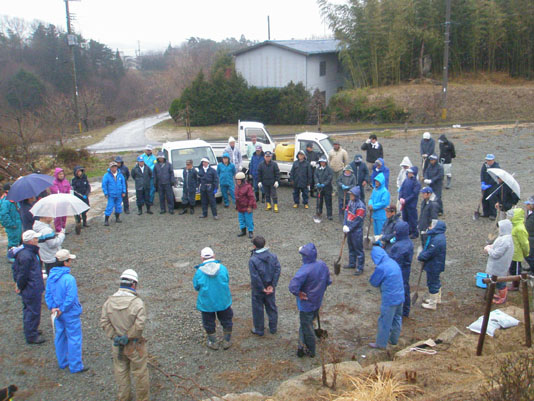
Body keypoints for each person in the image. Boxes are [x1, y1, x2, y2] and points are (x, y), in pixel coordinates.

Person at [100, 269, 149, 401]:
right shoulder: (137, 303)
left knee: (121, 373)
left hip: (118, 345)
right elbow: (139, 326)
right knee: (139, 374)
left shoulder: (109, 302)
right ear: (134, 284)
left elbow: (104, 322)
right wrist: (128, 336)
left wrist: (114, 336)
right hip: (135, 345)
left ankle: (124, 398)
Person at [45, 249, 87, 373]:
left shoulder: (51, 277)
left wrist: (53, 308)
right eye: (69, 260)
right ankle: (76, 366)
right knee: (74, 338)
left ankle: (62, 362)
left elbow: (48, 294)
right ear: (65, 262)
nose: (70, 262)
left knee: (60, 336)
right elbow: (71, 297)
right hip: (69, 313)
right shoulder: (69, 279)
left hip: (57, 313)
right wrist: (63, 309)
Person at [289, 243, 331, 358]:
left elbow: (293, 286)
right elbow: (328, 281)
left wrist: (298, 293)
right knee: (307, 323)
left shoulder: (304, 270)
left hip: (306, 304)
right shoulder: (322, 265)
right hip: (317, 301)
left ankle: (310, 350)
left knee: (307, 327)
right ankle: (300, 346)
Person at [193, 247, 233, 350]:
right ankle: (227, 340)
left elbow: (196, 286)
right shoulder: (223, 268)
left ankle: (212, 341)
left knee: (208, 322)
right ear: (214, 256)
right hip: (223, 300)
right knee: (226, 319)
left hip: (207, 303)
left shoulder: (199, 272)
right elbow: (227, 280)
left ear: (202, 258)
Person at [9, 230, 45, 344]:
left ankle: (31, 329)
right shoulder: (26, 255)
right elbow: (22, 274)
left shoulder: (28, 252)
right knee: (32, 311)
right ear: (30, 241)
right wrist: (20, 285)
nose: (37, 240)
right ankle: (31, 335)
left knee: (31, 309)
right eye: (35, 238)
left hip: (32, 286)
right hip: (31, 287)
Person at [368, 246, 404, 349]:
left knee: (384, 321)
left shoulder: (381, 267)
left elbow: (374, 282)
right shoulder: (393, 262)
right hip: (400, 297)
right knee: (397, 318)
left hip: (389, 299)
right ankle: (393, 340)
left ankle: (381, 344)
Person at [249, 236, 281, 336]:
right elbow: (277, 270)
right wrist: (272, 285)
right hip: (270, 287)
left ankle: (259, 329)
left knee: (257, 309)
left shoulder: (253, 260)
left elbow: (255, 276)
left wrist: (261, 288)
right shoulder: (273, 256)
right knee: (271, 307)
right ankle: (273, 328)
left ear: (254, 246)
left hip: (258, 289)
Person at [417, 220, 447, 310]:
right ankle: (437, 299)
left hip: (434, 265)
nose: (429, 227)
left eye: (431, 226)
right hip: (437, 264)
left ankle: (432, 303)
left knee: (432, 282)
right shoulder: (438, 236)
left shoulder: (437, 240)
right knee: (436, 280)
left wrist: (420, 256)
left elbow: (430, 252)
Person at [484, 220, 514, 304]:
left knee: (501, 283)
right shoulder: (504, 237)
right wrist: (491, 246)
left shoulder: (505, 240)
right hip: (498, 264)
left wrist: (488, 249)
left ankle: (502, 298)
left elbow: (496, 254)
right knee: (498, 280)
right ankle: (501, 296)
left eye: (500, 227)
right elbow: (497, 246)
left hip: (500, 265)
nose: (498, 229)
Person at [388, 221, 414, 317]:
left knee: (398, 290)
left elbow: (394, 261)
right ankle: (406, 310)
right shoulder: (408, 242)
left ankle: (400, 311)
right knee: (405, 288)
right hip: (405, 269)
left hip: (400, 270)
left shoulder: (399, 247)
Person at [342, 186, 366, 274]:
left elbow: (358, 220)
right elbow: (346, 213)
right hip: (349, 230)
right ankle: (352, 263)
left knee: (358, 249)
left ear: (356, 195)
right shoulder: (350, 202)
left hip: (357, 231)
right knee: (351, 247)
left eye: (352, 194)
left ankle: (360, 267)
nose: (350, 196)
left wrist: (350, 227)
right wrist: (344, 224)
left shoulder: (361, 206)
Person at [508, 208, 530, 291]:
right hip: (512, 252)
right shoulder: (514, 225)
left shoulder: (520, 228)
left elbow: (525, 243)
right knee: (512, 269)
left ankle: (516, 285)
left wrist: (526, 252)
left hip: (517, 253)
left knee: (516, 270)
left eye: (512, 215)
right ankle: (514, 282)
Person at [0, 183, 22, 259]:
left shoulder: (14, 199)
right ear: (7, 190)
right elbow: (3, 215)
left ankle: (16, 255)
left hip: (18, 224)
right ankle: (11, 257)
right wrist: (11, 224)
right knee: (13, 242)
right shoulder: (5, 202)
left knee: (18, 240)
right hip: (13, 226)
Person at [102, 161, 127, 226]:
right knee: (109, 207)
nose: (114, 168)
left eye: (115, 167)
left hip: (119, 194)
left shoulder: (120, 175)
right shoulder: (106, 176)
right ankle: (106, 220)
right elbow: (104, 185)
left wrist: (124, 191)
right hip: (111, 194)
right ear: (110, 168)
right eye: (112, 167)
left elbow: (123, 183)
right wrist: (106, 193)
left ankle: (117, 218)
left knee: (118, 206)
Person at [399, 167, 421, 239]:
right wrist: (400, 197)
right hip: (404, 204)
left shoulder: (417, 183)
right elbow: (401, 189)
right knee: (405, 218)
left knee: (412, 219)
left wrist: (406, 200)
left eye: (410, 172)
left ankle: (414, 233)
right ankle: (407, 231)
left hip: (411, 204)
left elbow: (414, 194)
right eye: (408, 172)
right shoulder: (406, 180)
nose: (408, 174)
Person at [235, 172, 256, 238]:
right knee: (241, 220)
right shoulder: (236, 187)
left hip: (247, 207)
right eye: (237, 180)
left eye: (239, 180)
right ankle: (243, 231)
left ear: (243, 180)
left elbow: (251, 197)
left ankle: (250, 232)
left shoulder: (248, 187)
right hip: (240, 207)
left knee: (249, 220)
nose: (238, 181)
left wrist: (250, 206)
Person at [50, 167, 71, 232]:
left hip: (64, 201)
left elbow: (68, 189)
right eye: (60, 174)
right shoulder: (54, 182)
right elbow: (55, 190)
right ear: (56, 175)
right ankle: (58, 229)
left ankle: (63, 227)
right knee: (58, 216)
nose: (61, 175)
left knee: (64, 215)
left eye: (62, 174)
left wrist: (68, 195)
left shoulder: (66, 181)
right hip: (57, 201)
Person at [480, 154, 500, 220]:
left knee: (492, 200)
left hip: (493, 186)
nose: (488, 161)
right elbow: (482, 174)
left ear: (493, 160)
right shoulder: (485, 165)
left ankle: (493, 214)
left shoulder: (496, 167)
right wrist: (482, 182)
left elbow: (495, 178)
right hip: (485, 185)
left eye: (490, 160)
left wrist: (489, 185)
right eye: (487, 160)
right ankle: (486, 213)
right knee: (484, 199)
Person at [71, 166, 91, 233]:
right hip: (78, 198)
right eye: (78, 172)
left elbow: (88, 187)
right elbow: (74, 189)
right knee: (77, 211)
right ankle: (78, 222)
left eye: (80, 171)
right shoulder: (74, 180)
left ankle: (85, 222)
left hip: (84, 197)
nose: (79, 173)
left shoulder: (85, 178)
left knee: (85, 209)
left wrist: (87, 193)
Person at [314, 156, 333, 220]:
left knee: (328, 201)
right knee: (319, 201)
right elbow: (315, 176)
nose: (322, 163)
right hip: (319, 188)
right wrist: (317, 183)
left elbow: (329, 178)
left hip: (327, 188)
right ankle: (319, 213)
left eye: (323, 162)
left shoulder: (329, 170)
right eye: (321, 162)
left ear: (326, 162)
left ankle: (329, 214)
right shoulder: (317, 169)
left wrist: (324, 184)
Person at [524, 196, 534, 271]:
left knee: (530, 255)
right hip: (529, 236)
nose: (526, 205)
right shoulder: (530, 212)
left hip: (532, 237)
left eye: (528, 204)